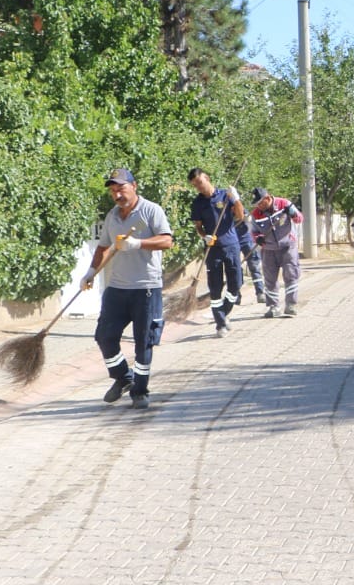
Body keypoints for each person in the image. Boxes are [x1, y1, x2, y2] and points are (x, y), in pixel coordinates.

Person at [81, 167, 174, 410]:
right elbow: (103, 248)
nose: (117, 195)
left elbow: (167, 241)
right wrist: (91, 272)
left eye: (121, 188)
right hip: (117, 288)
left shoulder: (151, 210)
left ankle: (140, 391)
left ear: (134, 186)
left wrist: (138, 244)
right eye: (113, 191)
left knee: (144, 343)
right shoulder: (112, 216)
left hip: (146, 288)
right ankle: (124, 377)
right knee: (104, 336)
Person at [188, 167, 245, 337]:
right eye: (195, 185)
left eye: (199, 182)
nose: (198, 187)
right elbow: (199, 227)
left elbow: (240, 216)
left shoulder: (225, 196)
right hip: (213, 249)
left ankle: (225, 311)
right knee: (215, 286)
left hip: (231, 246)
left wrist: (236, 199)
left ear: (207, 177)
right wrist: (204, 237)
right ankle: (220, 324)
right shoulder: (197, 204)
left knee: (236, 284)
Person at [249, 187, 302, 317]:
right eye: (257, 204)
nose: (259, 206)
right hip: (268, 250)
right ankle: (273, 307)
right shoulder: (256, 214)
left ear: (268, 198)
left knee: (291, 275)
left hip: (288, 247)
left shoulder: (284, 204)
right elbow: (254, 232)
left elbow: (299, 219)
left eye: (261, 203)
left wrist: (293, 213)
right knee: (270, 279)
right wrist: (258, 239)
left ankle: (290, 305)